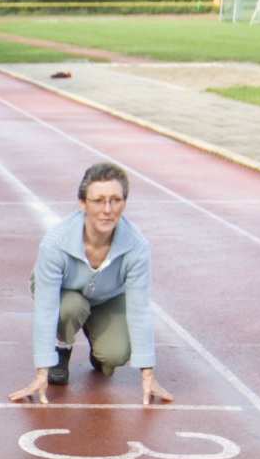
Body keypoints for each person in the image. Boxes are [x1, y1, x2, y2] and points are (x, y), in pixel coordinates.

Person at [9, 162, 172, 406]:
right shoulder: (55, 243)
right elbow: (46, 309)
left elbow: (139, 309)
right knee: (71, 307)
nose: (107, 209)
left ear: (124, 203)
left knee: (115, 355)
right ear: (83, 203)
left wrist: (148, 374)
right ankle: (62, 348)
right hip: (67, 294)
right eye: (98, 201)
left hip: (106, 297)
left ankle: (99, 347)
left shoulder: (138, 247)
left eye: (115, 200)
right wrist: (42, 371)